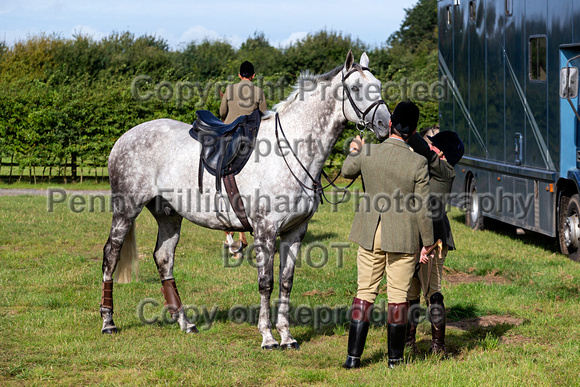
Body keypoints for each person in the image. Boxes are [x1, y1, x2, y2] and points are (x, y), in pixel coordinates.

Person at [341, 101, 436, 369]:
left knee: (364, 292)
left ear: (391, 123)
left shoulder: (368, 152)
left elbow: (346, 170)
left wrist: (354, 149)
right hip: (403, 237)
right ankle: (394, 361)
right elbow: (423, 210)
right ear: (415, 130)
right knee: (397, 296)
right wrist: (427, 243)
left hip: (370, 232)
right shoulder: (418, 162)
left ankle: (352, 359)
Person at [406, 129, 464, 354]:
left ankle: (438, 347)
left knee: (433, 292)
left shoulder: (443, 169)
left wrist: (407, 129)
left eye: (435, 145)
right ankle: (409, 342)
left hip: (435, 238)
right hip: (415, 234)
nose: (430, 146)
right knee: (411, 293)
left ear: (442, 153)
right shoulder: (433, 167)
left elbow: (424, 149)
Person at [219, 61, 268, 257]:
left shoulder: (230, 90)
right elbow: (264, 115)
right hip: (249, 139)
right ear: (253, 76)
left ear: (240, 75)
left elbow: (222, 113)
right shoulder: (258, 92)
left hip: (229, 138)